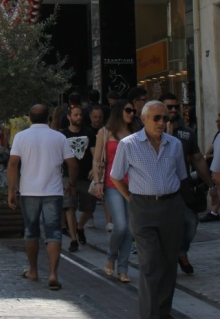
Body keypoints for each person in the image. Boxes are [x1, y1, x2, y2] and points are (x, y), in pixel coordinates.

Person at [110, 101, 187, 319]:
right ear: (143, 119)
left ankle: (163, 313)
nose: (162, 122)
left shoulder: (175, 144)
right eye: (157, 118)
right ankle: (150, 315)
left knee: (169, 264)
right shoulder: (129, 144)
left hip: (171, 206)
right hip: (143, 208)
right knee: (150, 264)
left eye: (165, 118)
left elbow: (181, 176)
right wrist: (131, 199)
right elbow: (116, 176)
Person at [7, 104, 77, 291]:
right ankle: (53, 274)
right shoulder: (59, 137)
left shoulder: (21, 137)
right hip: (53, 191)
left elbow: (13, 164)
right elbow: (72, 163)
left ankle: (33, 270)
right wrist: (71, 183)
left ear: (30, 118)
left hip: (29, 191)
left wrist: (11, 190)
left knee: (31, 232)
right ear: (48, 118)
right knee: (53, 232)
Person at [160, 93, 216, 275]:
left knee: (190, 223)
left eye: (176, 106)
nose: (174, 110)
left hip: (182, 186)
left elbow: (198, 159)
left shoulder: (187, 133)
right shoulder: (153, 133)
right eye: (169, 107)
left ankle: (181, 252)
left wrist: (211, 184)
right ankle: (165, 261)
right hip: (158, 188)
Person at [90, 99, 136, 282]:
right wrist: (97, 182)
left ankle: (123, 269)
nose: (132, 113)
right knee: (121, 225)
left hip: (134, 185)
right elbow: (97, 160)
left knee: (130, 229)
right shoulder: (104, 132)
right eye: (128, 110)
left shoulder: (136, 132)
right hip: (113, 184)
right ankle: (111, 257)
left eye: (133, 111)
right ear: (119, 111)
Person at [60, 105, 96, 252]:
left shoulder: (89, 133)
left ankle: (80, 227)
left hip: (86, 175)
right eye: (75, 115)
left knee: (89, 208)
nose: (79, 117)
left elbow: (95, 153)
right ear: (69, 117)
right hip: (68, 176)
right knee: (70, 206)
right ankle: (73, 239)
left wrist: (95, 168)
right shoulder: (62, 135)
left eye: (80, 115)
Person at [200, 112, 220, 222]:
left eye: (219, 121)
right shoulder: (218, 135)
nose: (217, 123)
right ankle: (214, 212)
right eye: (217, 121)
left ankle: (214, 212)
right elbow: (209, 152)